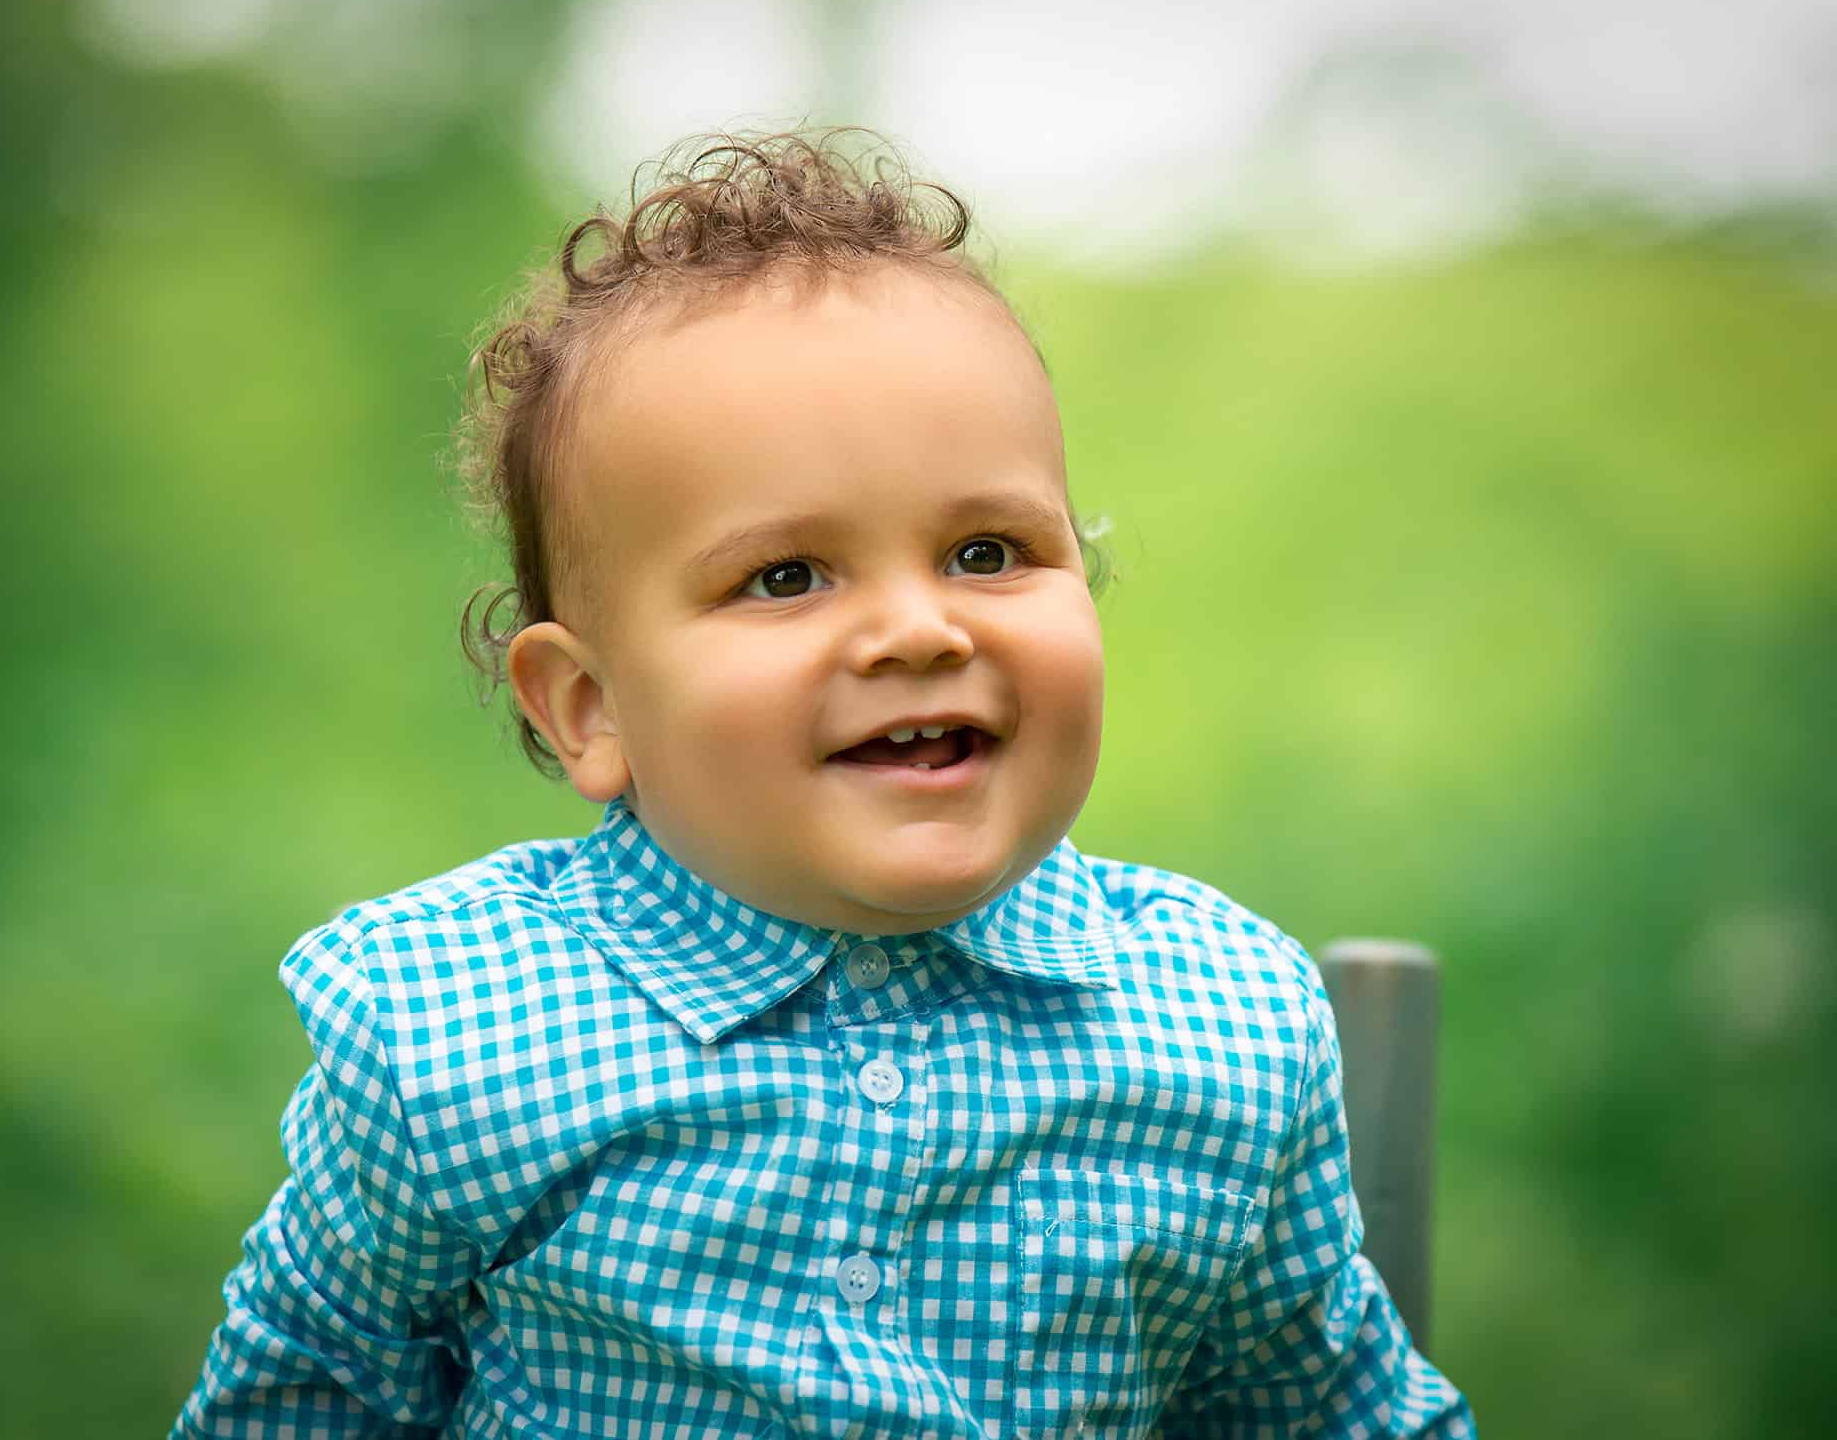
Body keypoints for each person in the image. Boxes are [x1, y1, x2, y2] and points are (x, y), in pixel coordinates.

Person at [171, 128, 1474, 1439]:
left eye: (986, 549)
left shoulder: (1220, 1026)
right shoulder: (457, 1035)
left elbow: (1328, 1411)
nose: (920, 630)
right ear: (592, 707)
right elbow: (301, 1406)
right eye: (786, 577)